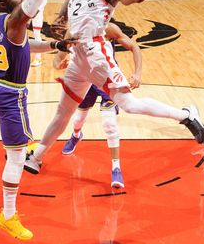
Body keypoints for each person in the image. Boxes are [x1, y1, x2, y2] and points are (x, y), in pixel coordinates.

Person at [24, 0, 204, 175]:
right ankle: (37, 157)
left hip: (97, 55)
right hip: (78, 56)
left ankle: (186, 115)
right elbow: (62, 20)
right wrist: (58, 30)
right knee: (63, 112)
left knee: (129, 105)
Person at [0, 0, 75, 241]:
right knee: (19, 157)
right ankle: (7, 216)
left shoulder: (0, 23)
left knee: (14, 148)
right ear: (3, 3)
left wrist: (57, 46)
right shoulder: (14, 20)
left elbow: (27, 47)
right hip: (9, 92)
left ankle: (11, 150)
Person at [56, 21, 142, 188]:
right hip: (86, 78)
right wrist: (64, 63)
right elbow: (66, 55)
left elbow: (135, 47)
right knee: (78, 119)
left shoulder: (108, 28)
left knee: (109, 124)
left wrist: (137, 73)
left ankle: (116, 167)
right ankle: (76, 135)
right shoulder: (75, 29)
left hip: (107, 78)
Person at [21, 0, 47, 67]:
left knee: (36, 34)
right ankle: (23, 57)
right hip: (26, 9)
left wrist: (38, 10)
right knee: (22, 34)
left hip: (37, 10)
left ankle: (38, 59)